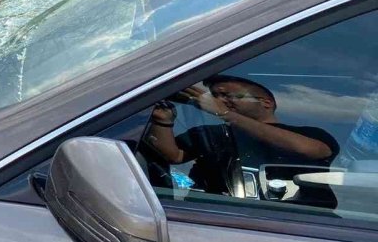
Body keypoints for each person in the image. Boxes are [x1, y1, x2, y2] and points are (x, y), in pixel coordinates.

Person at [145, 74, 339, 194]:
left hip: (299, 221)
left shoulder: (309, 134)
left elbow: (308, 150)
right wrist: (162, 120)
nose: (219, 100)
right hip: (215, 215)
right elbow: (174, 155)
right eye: (215, 96)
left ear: (266, 102)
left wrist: (224, 113)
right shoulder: (213, 134)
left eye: (228, 95)